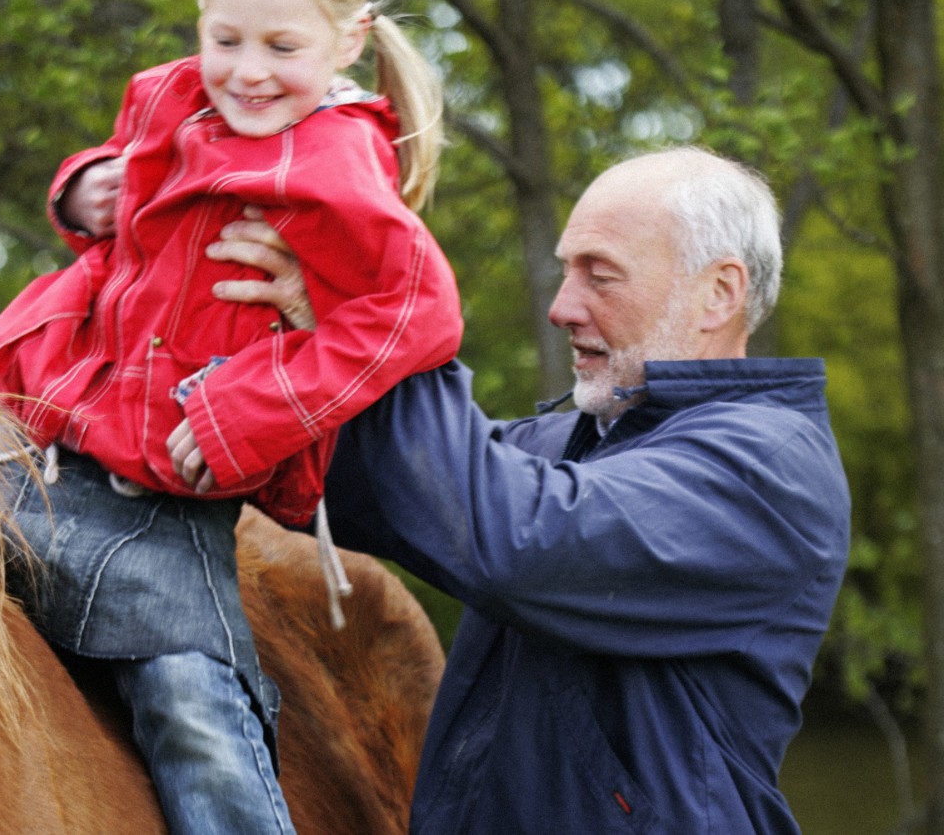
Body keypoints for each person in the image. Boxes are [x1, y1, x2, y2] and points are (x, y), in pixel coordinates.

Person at [214, 146, 851, 833]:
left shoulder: (769, 468)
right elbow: (372, 488)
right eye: (565, 271)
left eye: (600, 277)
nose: (561, 306)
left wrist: (373, 326)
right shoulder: (572, 444)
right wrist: (228, 383)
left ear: (719, 294)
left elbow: (519, 540)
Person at [0, 0, 463, 831]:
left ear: (348, 39)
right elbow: (117, 178)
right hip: (44, 437)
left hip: (163, 494)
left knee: (188, 704)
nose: (247, 73)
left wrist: (245, 414)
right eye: (225, 39)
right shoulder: (171, 95)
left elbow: (411, 314)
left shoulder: (337, 164)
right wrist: (82, 191)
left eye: (283, 49)